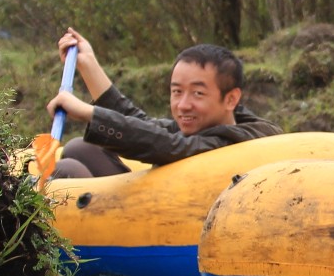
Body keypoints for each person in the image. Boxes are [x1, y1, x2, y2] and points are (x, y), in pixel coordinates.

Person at [45, 29, 279, 177]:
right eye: (177, 92)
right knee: (79, 147)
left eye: (198, 93)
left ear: (231, 99)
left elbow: (165, 144)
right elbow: (143, 126)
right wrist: (88, 65)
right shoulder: (204, 126)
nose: (183, 105)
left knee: (67, 170)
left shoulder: (239, 139)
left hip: (171, 225)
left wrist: (89, 113)